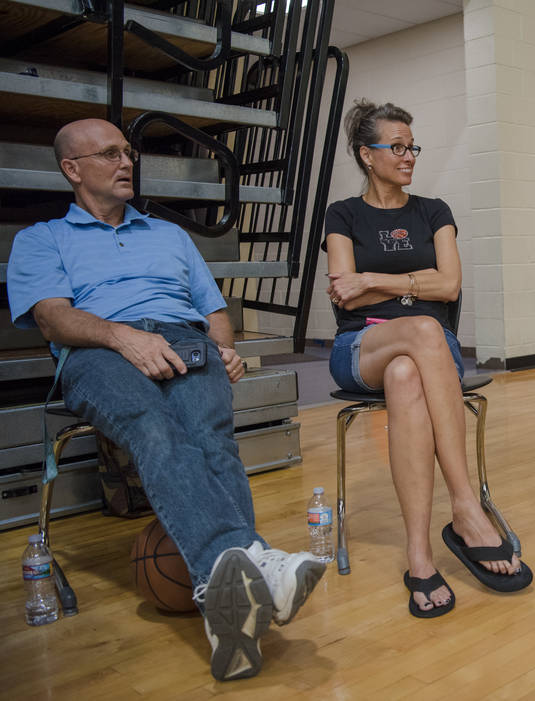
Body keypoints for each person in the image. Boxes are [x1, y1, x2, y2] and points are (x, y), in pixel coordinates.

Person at [7, 119, 326, 681]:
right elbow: (53, 318)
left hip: (185, 340)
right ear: (72, 169)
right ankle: (255, 562)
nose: (126, 161)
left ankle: (228, 610)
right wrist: (122, 335)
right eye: (109, 153)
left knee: (211, 440)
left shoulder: (170, 235)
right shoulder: (41, 238)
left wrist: (225, 351)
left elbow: (215, 311)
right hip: (97, 350)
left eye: (128, 151)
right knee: (153, 428)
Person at [324, 99, 532, 618]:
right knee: (419, 330)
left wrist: (373, 279)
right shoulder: (342, 215)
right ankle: (466, 506)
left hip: (423, 356)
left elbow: (452, 282)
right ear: (366, 155)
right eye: (396, 146)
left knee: (405, 370)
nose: (408, 154)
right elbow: (345, 298)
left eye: (411, 145)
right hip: (360, 346)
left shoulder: (434, 211)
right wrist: (417, 289)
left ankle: (419, 556)